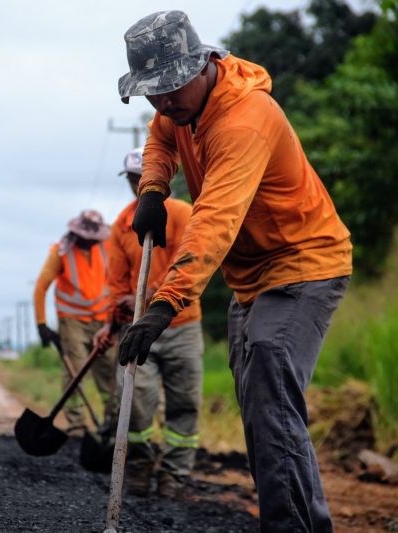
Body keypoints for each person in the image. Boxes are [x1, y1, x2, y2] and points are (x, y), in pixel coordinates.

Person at [116, 11, 352, 532]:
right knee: (259, 407)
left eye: (172, 88)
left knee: (270, 385)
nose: (164, 101)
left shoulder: (245, 119)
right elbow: (160, 135)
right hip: (251, 279)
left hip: (303, 264)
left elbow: (213, 223)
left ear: (202, 67)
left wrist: (164, 304)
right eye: (153, 93)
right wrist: (153, 188)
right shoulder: (179, 109)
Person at [94, 147, 204, 498]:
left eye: (141, 178)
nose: (136, 185)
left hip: (182, 324)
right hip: (137, 329)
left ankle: (175, 475)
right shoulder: (121, 227)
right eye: (130, 179)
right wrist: (114, 317)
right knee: (136, 401)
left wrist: (149, 294)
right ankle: (138, 466)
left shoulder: (183, 214)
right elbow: (116, 281)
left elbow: (188, 266)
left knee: (184, 403)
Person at [33, 209, 117, 436]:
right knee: (75, 372)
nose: (89, 242)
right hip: (72, 322)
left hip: (104, 320)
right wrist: (41, 324)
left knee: (110, 372)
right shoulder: (61, 251)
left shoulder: (108, 246)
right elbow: (41, 287)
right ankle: (76, 423)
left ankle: (112, 421)